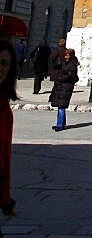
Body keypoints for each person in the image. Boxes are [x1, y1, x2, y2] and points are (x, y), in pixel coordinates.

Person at [0, 39, 18, 223]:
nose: (1, 69)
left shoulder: (4, 108)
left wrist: (6, 201)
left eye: (5, 64)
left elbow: (4, 158)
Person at [49, 48, 79, 132]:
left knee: (61, 106)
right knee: (60, 106)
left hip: (66, 87)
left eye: (67, 55)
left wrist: (60, 78)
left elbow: (70, 76)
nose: (65, 57)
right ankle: (61, 124)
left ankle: (60, 125)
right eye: (65, 55)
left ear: (71, 56)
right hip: (61, 86)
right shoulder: (65, 63)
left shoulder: (72, 65)